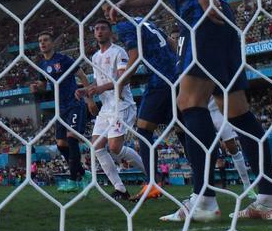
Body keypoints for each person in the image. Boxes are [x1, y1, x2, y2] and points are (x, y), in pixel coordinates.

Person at [105, 0, 272, 221]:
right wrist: (131, 1)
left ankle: (204, 200)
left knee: (189, 102)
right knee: (237, 111)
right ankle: (270, 199)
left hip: (201, 14)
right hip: (211, 17)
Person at [108, 11, 178, 199]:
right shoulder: (143, 20)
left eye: (108, 10)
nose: (108, 14)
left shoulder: (124, 25)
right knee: (181, 128)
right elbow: (172, 43)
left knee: (144, 130)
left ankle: (153, 183)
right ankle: (202, 183)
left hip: (160, 80)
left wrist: (120, 83)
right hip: (177, 76)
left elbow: (135, 56)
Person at [77, 19, 144, 200]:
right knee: (96, 147)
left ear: (110, 32)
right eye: (96, 29)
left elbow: (125, 79)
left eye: (103, 28)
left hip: (122, 105)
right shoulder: (95, 57)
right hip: (106, 107)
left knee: (115, 148)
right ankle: (120, 188)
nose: (99, 31)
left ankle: (152, 174)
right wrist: (86, 89)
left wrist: (99, 89)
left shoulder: (119, 52)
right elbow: (99, 82)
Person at [32, 31, 93, 192]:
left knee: (72, 139)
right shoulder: (43, 65)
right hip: (61, 108)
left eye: (45, 40)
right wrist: (36, 87)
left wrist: (88, 97)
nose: (42, 43)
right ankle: (83, 173)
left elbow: (81, 75)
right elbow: (43, 86)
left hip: (75, 103)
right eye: (40, 41)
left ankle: (74, 180)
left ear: (52, 43)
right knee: (61, 145)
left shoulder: (63, 60)